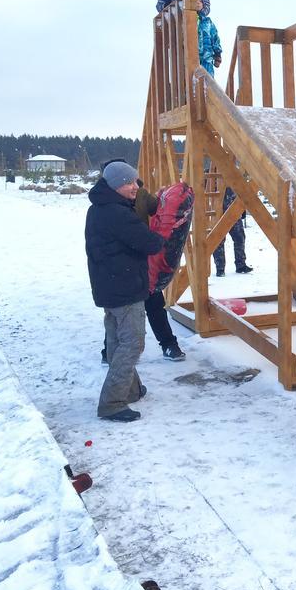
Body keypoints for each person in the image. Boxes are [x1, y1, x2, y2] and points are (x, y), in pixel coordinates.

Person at [86, 162, 164, 422]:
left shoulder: (99, 208)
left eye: (136, 181)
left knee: (117, 341)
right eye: (129, 182)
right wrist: (168, 232)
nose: (135, 187)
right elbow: (150, 242)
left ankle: (130, 390)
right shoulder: (116, 214)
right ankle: (112, 402)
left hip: (109, 287)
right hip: (124, 289)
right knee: (132, 343)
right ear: (115, 185)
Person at [98, 161, 187, 362]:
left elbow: (156, 209)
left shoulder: (140, 195)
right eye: (127, 181)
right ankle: (108, 351)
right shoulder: (104, 205)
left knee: (154, 303)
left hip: (143, 262)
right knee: (118, 313)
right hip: (119, 268)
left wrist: (164, 198)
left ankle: (168, 345)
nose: (133, 185)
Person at [213, 186, 252, 276]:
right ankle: (220, 268)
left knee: (240, 238)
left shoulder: (234, 176)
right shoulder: (212, 175)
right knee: (218, 241)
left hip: (234, 213)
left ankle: (241, 265)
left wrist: (242, 211)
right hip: (218, 215)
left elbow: (240, 193)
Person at [185, 0, 221, 73]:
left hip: (207, 59)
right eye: (195, 1)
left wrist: (217, 55)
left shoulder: (207, 22)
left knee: (208, 83)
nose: (198, 3)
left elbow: (215, 37)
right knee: (193, 81)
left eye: (200, 1)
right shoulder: (185, 20)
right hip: (191, 59)